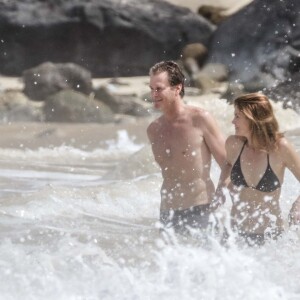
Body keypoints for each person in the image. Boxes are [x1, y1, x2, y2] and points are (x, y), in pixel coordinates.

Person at [146, 61, 226, 235]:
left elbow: (228, 164)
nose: (154, 94)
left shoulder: (200, 119)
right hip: (167, 215)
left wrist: (221, 193)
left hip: (201, 210)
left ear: (177, 88)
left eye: (159, 88)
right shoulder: (154, 129)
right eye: (151, 88)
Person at [212, 92, 300, 246]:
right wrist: (221, 187)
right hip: (234, 236)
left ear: (253, 119)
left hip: (271, 239)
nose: (233, 121)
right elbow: (228, 164)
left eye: (237, 116)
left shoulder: (280, 148)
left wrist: (297, 205)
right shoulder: (233, 144)